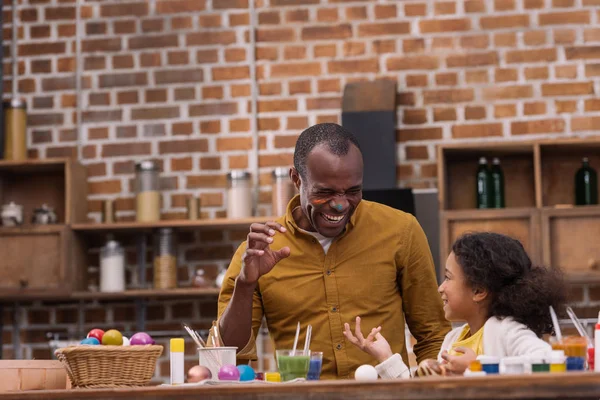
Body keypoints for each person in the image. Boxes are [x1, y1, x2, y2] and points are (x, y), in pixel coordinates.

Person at [214, 123, 450, 379]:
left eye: (353, 191)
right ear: (296, 179)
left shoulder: (401, 231)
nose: (339, 205)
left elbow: (433, 335)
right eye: (324, 192)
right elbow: (228, 356)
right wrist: (246, 284)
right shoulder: (258, 252)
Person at [344, 232, 566, 378]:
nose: (441, 287)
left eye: (448, 278)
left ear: (478, 291)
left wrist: (477, 366)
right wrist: (386, 357)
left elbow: (551, 363)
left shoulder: (505, 330)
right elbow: (422, 394)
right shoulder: (453, 339)